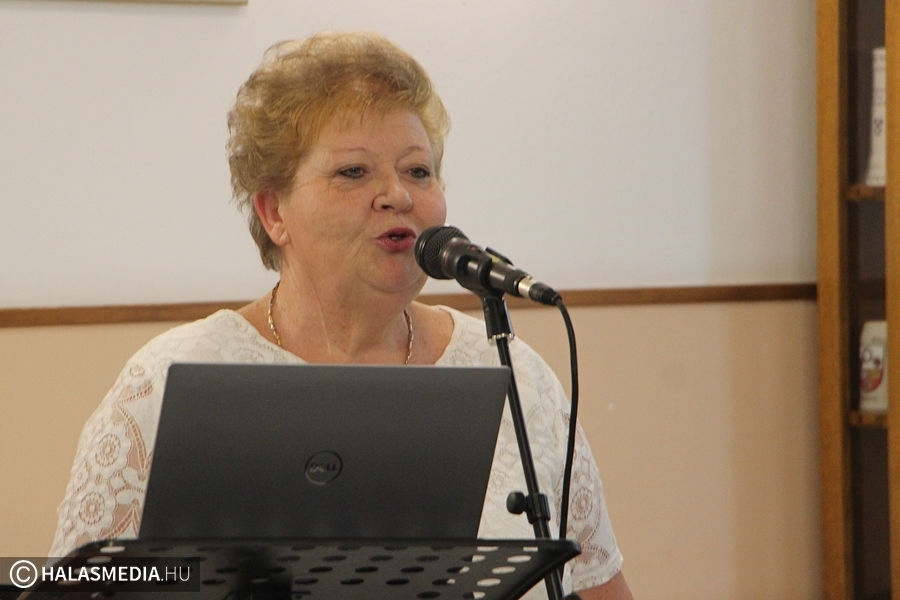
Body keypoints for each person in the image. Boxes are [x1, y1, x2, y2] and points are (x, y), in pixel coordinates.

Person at [49, 31, 633, 600]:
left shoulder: (512, 375)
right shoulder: (167, 380)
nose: (397, 195)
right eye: (353, 172)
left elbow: (597, 585)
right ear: (274, 212)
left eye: (418, 171)